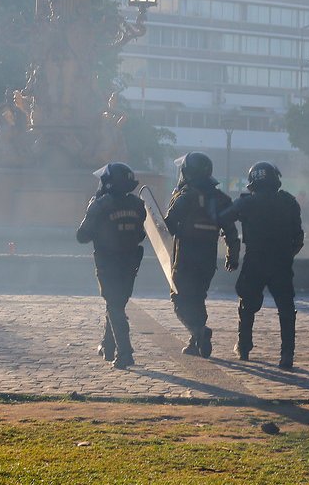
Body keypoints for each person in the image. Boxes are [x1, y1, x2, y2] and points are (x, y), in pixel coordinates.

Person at [219, 162, 303, 369]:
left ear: (253, 183)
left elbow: (222, 218)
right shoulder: (289, 202)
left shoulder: (247, 203)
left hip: (255, 260)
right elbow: (299, 238)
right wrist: (286, 255)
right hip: (282, 262)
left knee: (246, 304)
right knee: (286, 308)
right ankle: (287, 354)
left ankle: (244, 347)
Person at [164, 152, 239, 359]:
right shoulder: (220, 198)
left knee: (179, 299)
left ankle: (199, 331)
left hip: (185, 257)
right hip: (207, 258)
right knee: (198, 297)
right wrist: (233, 256)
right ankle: (195, 341)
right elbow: (231, 231)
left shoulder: (185, 197)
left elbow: (167, 226)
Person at [76, 163, 147, 370]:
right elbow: (141, 234)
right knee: (116, 303)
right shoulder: (137, 205)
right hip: (130, 262)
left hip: (108, 263)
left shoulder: (100, 204)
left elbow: (82, 236)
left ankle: (125, 353)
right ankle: (108, 346)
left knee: (114, 305)